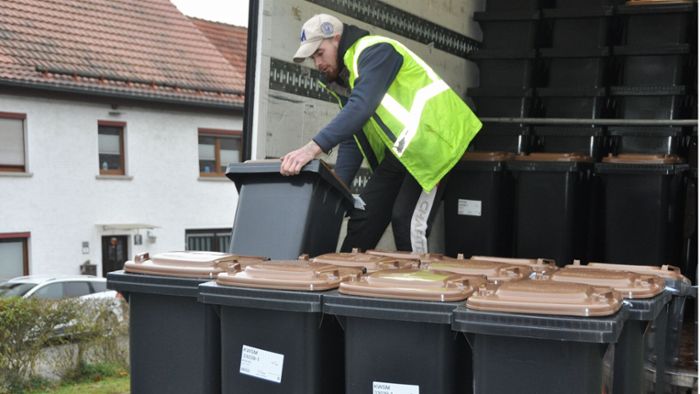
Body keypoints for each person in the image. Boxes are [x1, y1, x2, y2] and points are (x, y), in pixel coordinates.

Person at [280, 14, 481, 253]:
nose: (317, 64)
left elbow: (361, 107)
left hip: (435, 145)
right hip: (403, 152)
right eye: (313, 58)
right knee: (364, 218)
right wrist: (339, 189)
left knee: (406, 220)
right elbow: (354, 137)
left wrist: (311, 149)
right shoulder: (347, 77)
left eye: (319, 53)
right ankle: (346, 281)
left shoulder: (375, 52)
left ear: (336, 38)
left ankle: (418, 286)